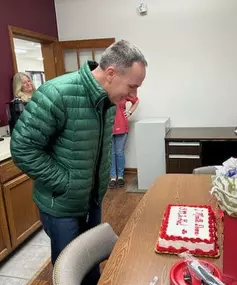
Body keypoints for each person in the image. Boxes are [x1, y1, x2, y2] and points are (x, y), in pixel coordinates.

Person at [10, 40, 147, 284]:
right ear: (111, 73)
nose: (134, 95)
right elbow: (22, 148)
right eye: (132, 86)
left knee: (91, 266)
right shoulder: (56, 93)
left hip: (91, 198)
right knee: (69, 271)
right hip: (61, 204)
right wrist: (67, 182)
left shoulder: (107, 100)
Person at [109, 96, 139, 188]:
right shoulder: (104, 91)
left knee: (119, 152)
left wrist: (129, 112)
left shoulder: (123, 91)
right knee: (111, 153)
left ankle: (120, 177)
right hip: (107, 127)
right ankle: (113, 177)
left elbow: (136, 101)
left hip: (121, 126)